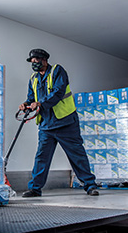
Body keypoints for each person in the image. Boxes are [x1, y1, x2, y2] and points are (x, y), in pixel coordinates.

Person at [19, 48, 99, 197]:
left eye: (36, 61)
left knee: (77, 155)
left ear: (44, 60)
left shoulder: (57, 71)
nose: (34, 64)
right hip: (46, 125)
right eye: (32, 62)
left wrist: (40, 103)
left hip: (65, 123)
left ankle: (90, 185)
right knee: (41, 158)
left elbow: (58, 92)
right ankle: (35, 189)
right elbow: (31, 98)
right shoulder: (33, 79)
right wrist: (26, 105)